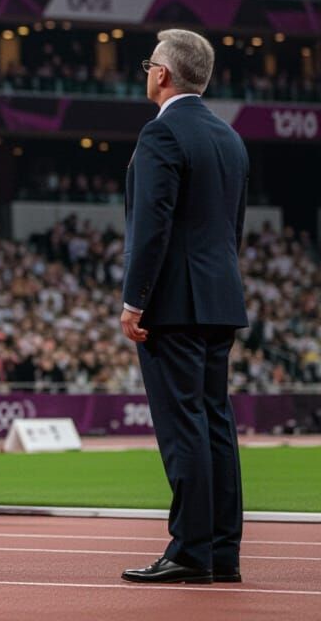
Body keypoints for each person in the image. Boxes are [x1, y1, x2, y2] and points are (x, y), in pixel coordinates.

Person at [119, 29, 249, 585]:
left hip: (173, 303)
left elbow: (151, 228)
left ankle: (191, 549)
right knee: (216, 421)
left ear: (163, 74)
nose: (147, 71)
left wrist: (134, 301)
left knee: (183, 427)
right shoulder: (229, 138)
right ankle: (222, 551)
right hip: (220, 297)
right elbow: (232, 230)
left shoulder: (161, 134)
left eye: (150, 63)